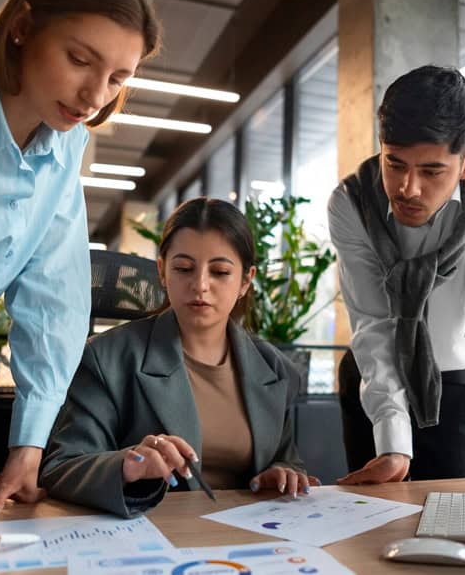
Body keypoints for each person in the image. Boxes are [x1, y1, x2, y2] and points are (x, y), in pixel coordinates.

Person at [0, 0, 160, 568]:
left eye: (118, 78)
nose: (97, 95)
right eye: (79, 59)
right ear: (22, 28)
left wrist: (29, 441)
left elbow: (55, 292)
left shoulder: (65, 143)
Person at [41, 197, 317, 517]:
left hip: (253, 538)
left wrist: (282, 472)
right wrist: (127, 466)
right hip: (153, 537)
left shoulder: (273, 366)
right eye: (184, 268)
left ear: (245, 280)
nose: (200, 285)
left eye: (220, 272)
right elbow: (61, 467)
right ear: (161, 270)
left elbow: (287, 458)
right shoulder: (106, 358)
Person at [328, 65, 465, 485]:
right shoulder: (350, 202)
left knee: (448, 519)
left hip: (453, 383)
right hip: (370, 374)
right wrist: (393, 442)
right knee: (369, 521)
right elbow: (373, 323)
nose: (408, 188)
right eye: (394, 164)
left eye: (431, 171)